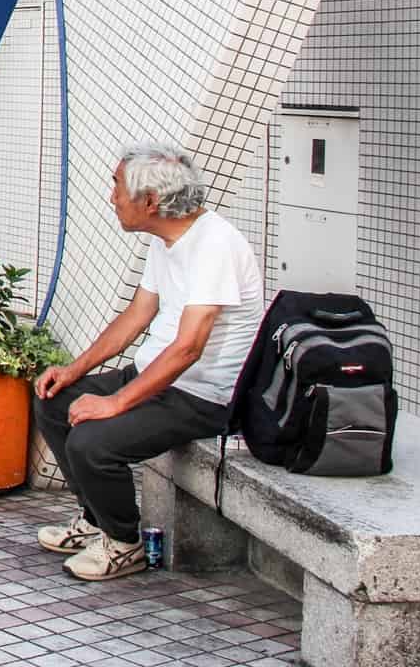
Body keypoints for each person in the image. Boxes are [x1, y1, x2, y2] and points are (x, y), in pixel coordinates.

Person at [32, 143, 264, 581]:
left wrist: (115, 403)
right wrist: (73, 371)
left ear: (151, 202)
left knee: (93, 442)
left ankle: (124, 543)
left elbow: (187, 348)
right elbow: (136, 316)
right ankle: (96, 520)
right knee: (54, 399)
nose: (112, 197)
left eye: (117, 186)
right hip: (157, 378)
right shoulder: (167, 240)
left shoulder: (215, 244)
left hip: (199, 396)